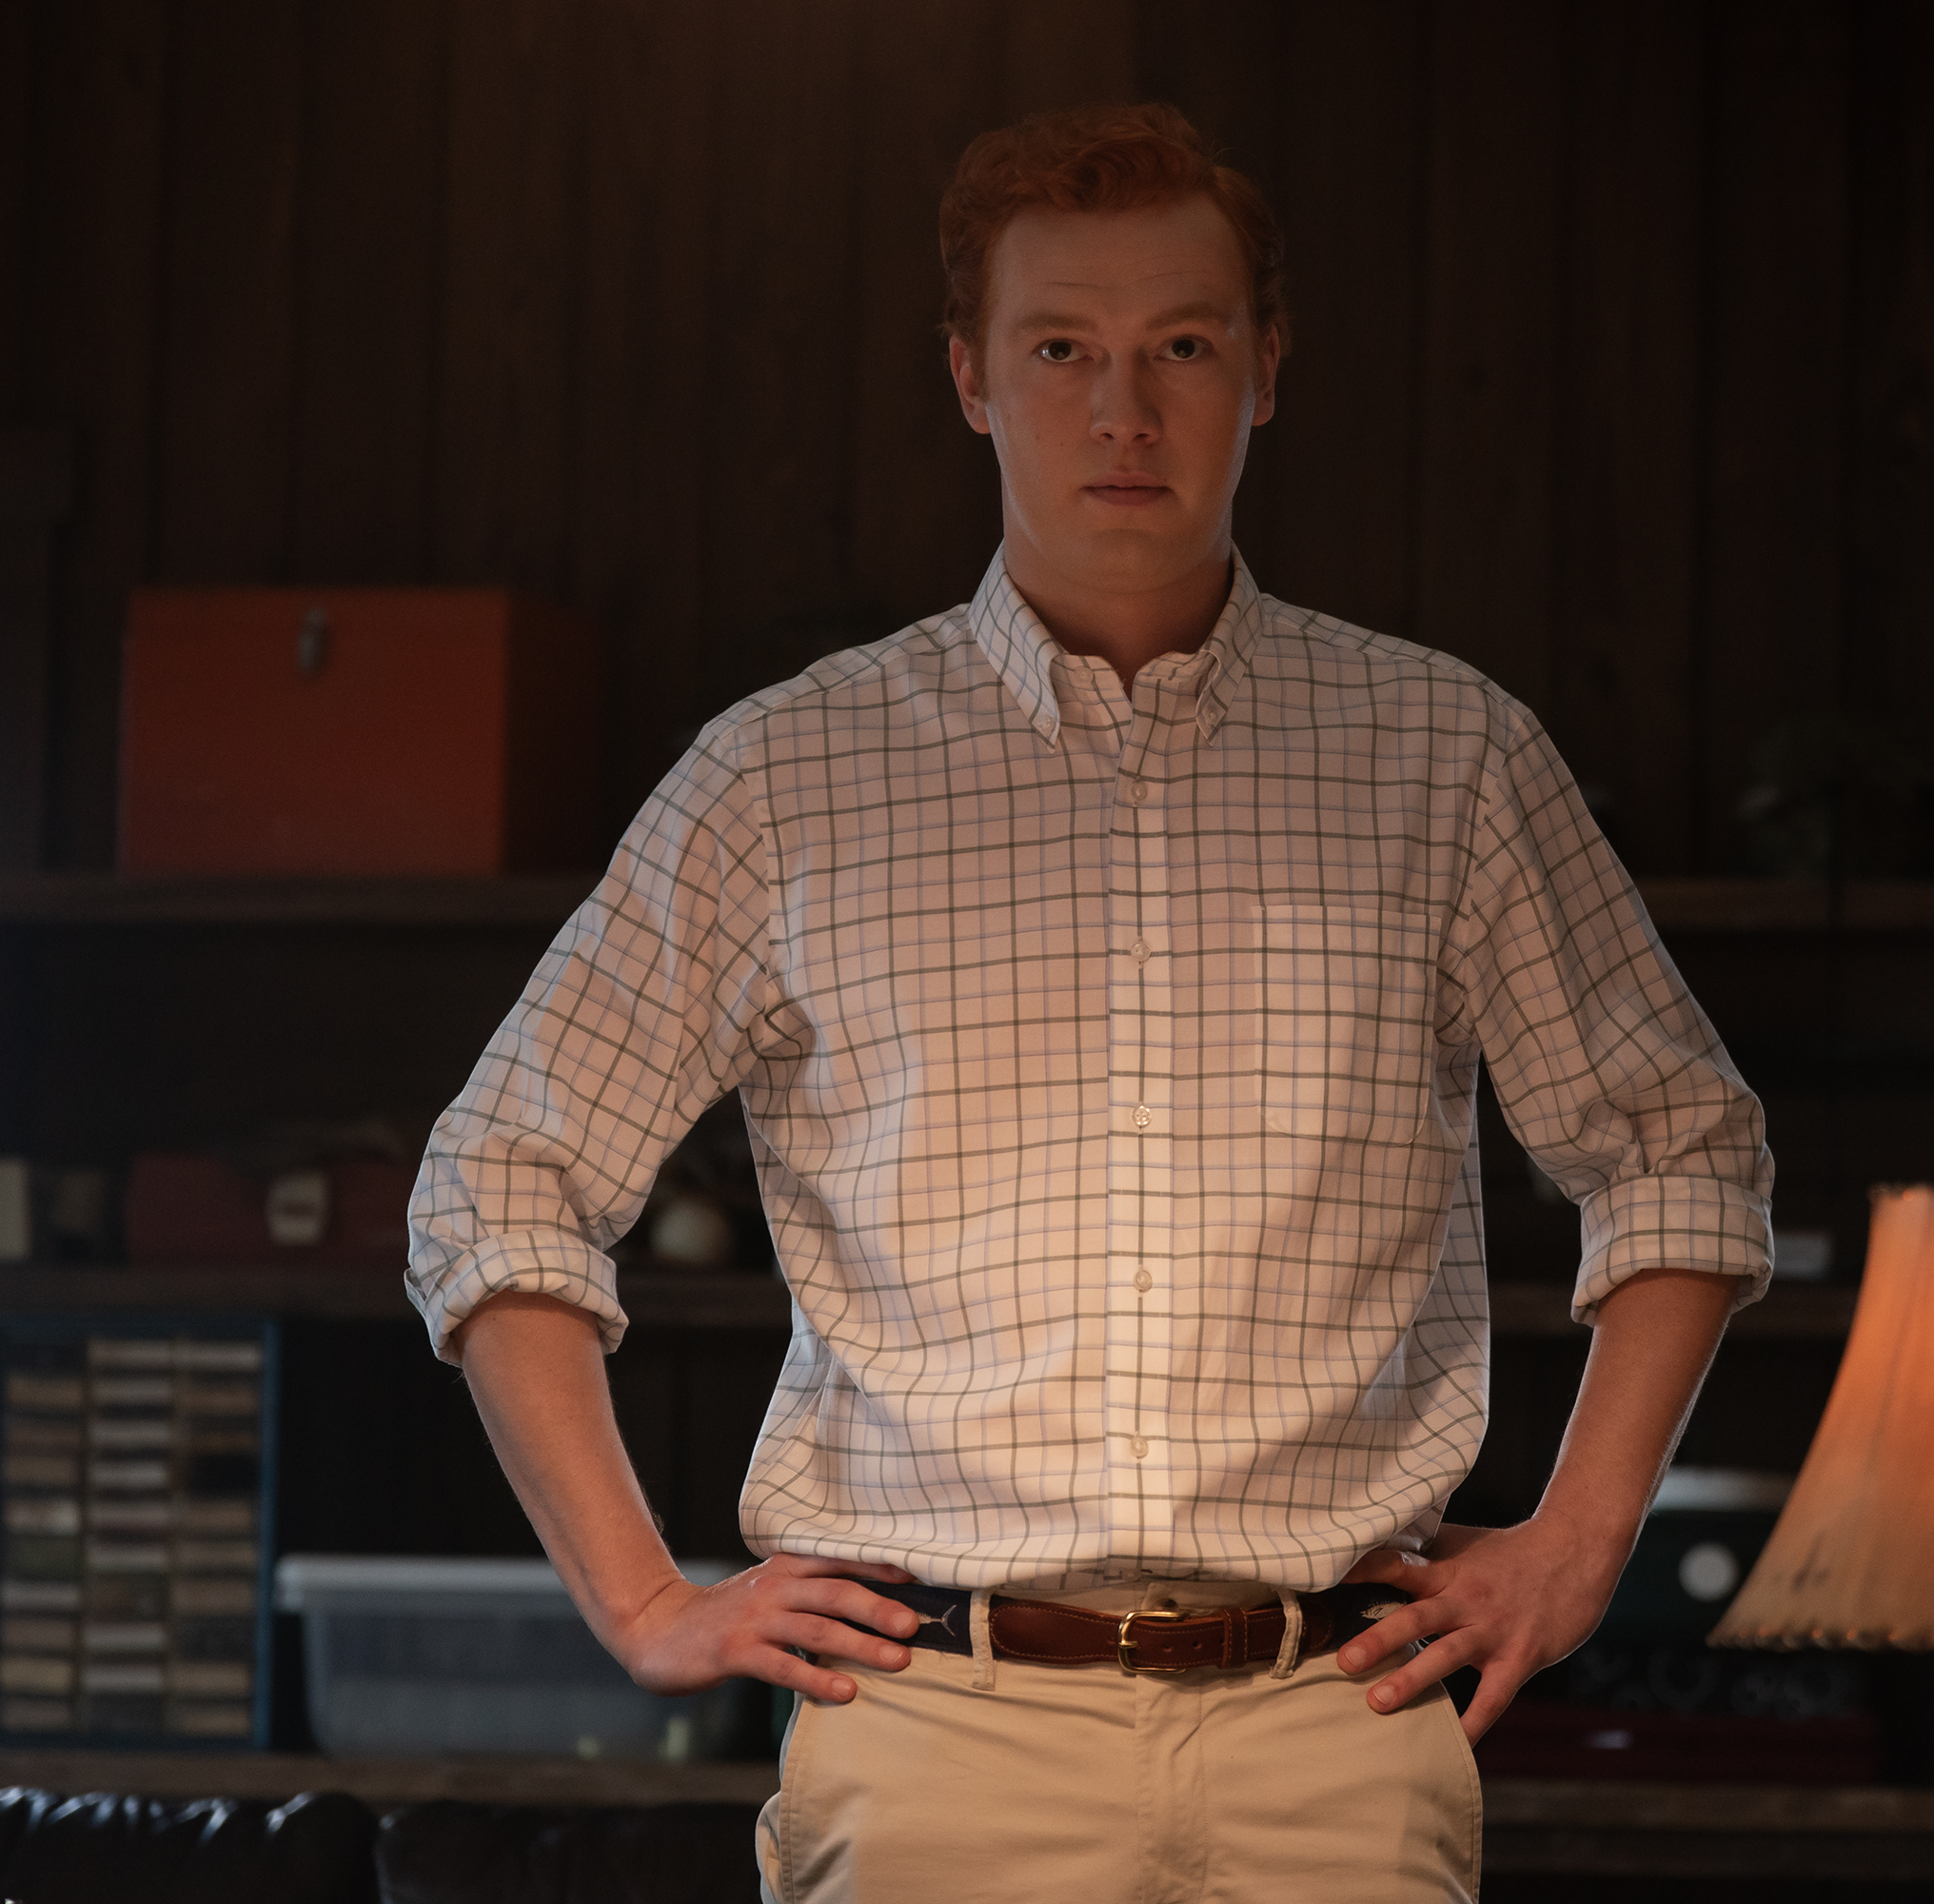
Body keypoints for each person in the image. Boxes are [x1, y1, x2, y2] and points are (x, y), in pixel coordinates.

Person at [408, 102, 1772, 1904]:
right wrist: (643, 1599)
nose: (1123, 408)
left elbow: (1686, 1145)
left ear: (1264, 373)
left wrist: (1578, 1551)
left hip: (1332, 1739)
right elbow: (498, 1176)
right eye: (1063, 349)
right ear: (972, 377)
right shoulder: (786, 776)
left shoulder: (1450, 760)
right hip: (938, 1734)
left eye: (1181, 347)